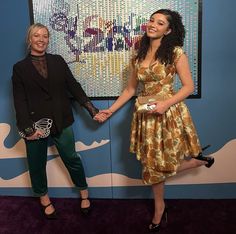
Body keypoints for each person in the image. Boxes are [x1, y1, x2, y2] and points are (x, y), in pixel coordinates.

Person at [95, 9, 215, 232]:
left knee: (156, 164)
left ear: (168, 30)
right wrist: (110, 110)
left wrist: (165, 104)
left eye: (160, 23)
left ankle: (160, 207)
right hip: (145, 115)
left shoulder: (176, 53)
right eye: (151, 20)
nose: (153, 25)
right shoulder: (138, 55)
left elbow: (189, 87)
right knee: (152, 164)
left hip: (167, 113)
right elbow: (130, 89)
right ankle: (196, 164)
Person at [12, 23, 99, 219]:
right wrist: (27, 129)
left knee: (72, 159)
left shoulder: (58, 61)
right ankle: (44, 198)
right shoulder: (19, 68)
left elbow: (74, 87)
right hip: (35, 125)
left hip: (62, 120)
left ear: (48, 39)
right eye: (36, 35)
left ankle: (84, 192)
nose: (41, 39)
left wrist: (92, 110)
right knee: (36, 164)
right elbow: (20, 101)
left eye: (45, 36)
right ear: (29, 39)